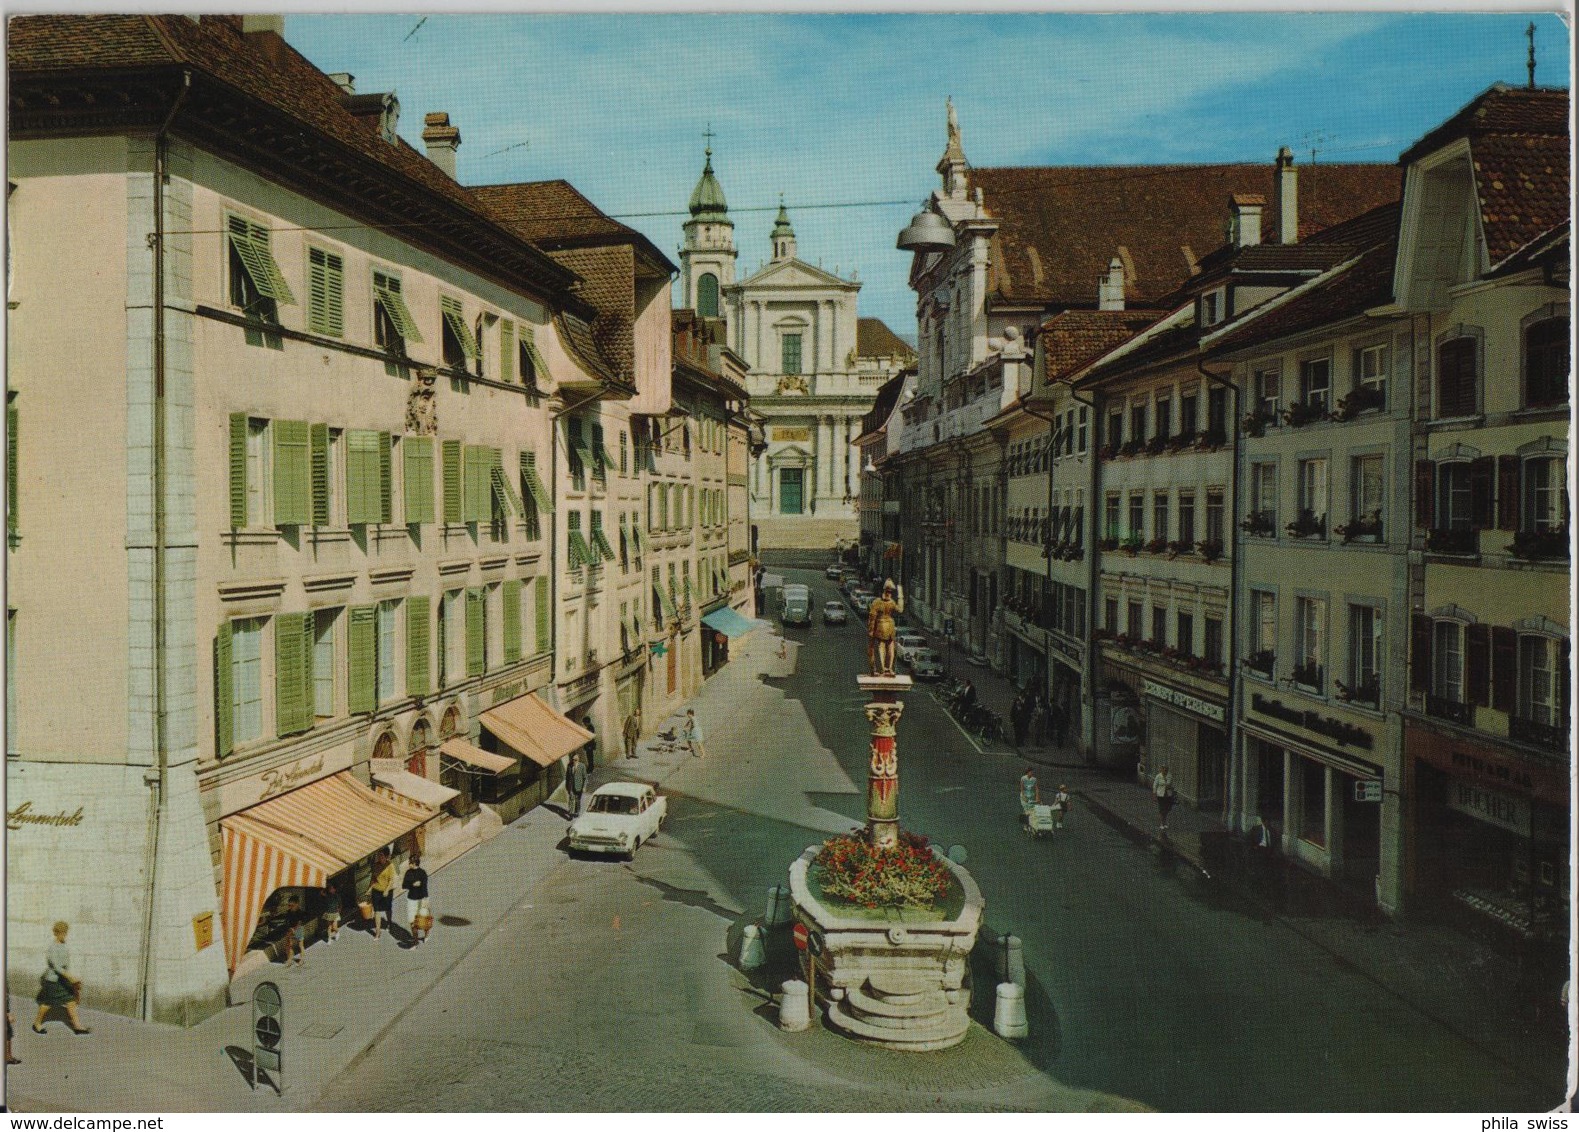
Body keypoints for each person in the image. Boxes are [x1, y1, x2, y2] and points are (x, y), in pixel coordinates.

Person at [33, 921, 89, 1034]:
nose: (64, 934)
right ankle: (37, 1024)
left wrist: (70, 978)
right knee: (47, 1004)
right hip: (52, 981)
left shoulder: (63, 945)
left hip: (62, 979)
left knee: (70, 1001)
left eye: (65, 932)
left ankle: (77, 1027)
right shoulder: (52, 948)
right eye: (61, 932)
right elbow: (57, 967)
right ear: (55, 933)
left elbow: (65, 965)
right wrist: (71, 977)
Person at [403, 852, 431, 946]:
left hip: (421, 899)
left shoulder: (422, 873)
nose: (408, 864)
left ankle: (426, 935)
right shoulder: (408, 873)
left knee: (424, 920)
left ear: (414, 863)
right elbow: (404, 885)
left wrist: (426, 900)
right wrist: (412, 884)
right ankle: (415, 941)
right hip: (411, 899)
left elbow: (425, 888)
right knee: (412, 921)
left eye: (410, 863)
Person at [368, 851, 396, 941]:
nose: (380, 858)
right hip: (376, 891)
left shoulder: (390, 866)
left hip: (386, 891)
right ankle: (377, 932)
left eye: (382, 856)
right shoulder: (376, 865)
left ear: (386, 856)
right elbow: (373, 877)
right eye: (378, 856)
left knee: (387, 909)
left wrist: (387, 890)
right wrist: (369, 889)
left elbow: (391, 880)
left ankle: (389, 923)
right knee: (377, 911)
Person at [280, 898, 307, 967]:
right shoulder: (288, 912)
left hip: (298, 929)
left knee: (300, 945)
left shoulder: (300, 912)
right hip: (290, 929)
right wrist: (289, 929)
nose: (290, 907)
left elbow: (299, 923)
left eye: (292, 905)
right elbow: (287, 921)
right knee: (289, 945)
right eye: (289, 905)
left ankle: (302, 959)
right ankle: (290, 959)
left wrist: (294, 929)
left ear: (297, 904)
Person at [1152, 765, 1176, 832]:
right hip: (1161, 795)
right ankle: (1161, 823)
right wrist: (1154, 794)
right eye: (1164, 770)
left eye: (1166, 770)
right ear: (1161, 770)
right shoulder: (1158, 776)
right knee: (1161, 809)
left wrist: (1171, 788)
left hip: (1168, 795)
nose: (1165, 771)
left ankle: (1165, 822)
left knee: (1167, 809)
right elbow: (1155, 786)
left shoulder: (1169, 776)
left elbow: (1172, 785)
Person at [565, 752, 588, 817]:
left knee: (578, 800)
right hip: (571, 786)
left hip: (579, 786)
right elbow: (567, 777)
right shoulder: (569, 766)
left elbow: (585, 778)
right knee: (571, 799)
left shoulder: (582, 766)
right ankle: (571, 813)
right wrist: (567, 786)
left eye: (575, 760)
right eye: (573, 760)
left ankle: (577, 811)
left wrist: (584, 787)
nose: (574, 761)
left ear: (578, 759)